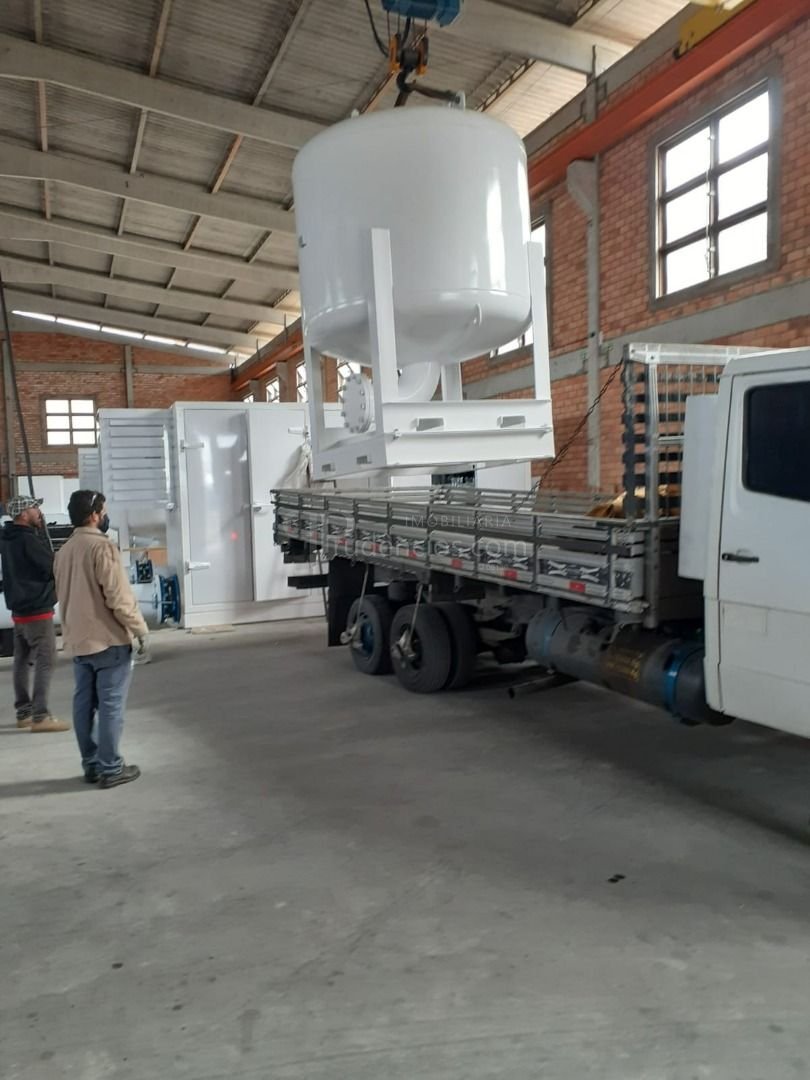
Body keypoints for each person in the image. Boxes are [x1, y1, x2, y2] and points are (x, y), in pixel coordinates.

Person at [54, 490, 148, 788]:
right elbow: (118, 597)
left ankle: (92, 764)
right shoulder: (102, 547)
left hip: (78, 641)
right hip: (108, 640)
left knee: (84, 703)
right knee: (110, 705)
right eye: (104, 512)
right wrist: (140, 629)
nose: (105, 517)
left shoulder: (64, 551)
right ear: (94, 515)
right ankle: (111, 768)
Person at [0, 494, 68, 732]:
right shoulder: (28, 540)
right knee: (46, 659)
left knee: (21, 659)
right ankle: (41, 715)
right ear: (23, 514)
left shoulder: (7, 538)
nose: (39, 512)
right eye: (34, 508)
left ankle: (24, 712)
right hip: (37, 608)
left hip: (19, 610)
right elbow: (51, 567)